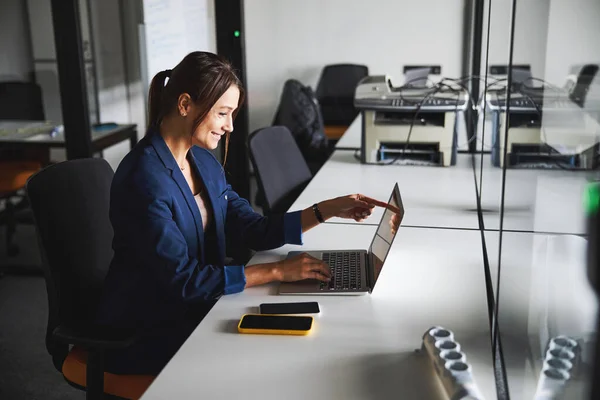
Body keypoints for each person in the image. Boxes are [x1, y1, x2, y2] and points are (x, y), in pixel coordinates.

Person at [96, 51, 388, 375]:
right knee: (275, 362)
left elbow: (253, 228)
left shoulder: (202, 160)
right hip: (150, 329)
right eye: (223, 113)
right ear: (184, 105)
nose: (230, 125)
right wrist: (276, 272)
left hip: (201, 306)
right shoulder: (143, 179)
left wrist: (327, 210)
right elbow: (183, 281)